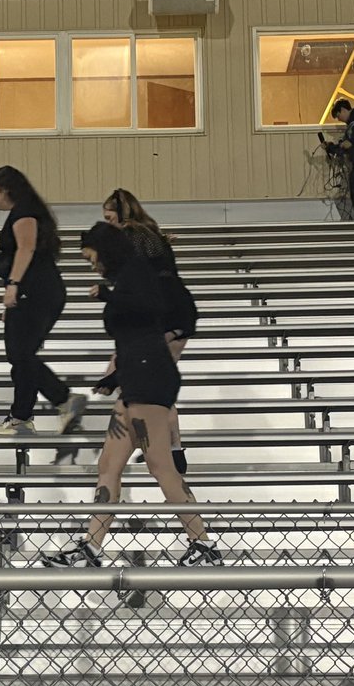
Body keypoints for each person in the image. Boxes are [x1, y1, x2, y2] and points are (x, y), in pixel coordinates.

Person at [42, 222, 221, 570]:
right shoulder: (126, 278)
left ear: (105, 250)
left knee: (160, 467)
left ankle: (203, 544)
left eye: (91, 258)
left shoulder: (135, 274)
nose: (91, 265)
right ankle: (92, 546)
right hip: (136, 378)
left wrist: (110, 297)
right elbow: (138, 337)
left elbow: (150, 310)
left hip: (149, 382)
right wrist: (114, 377)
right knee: (108, 466)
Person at [101, 188, 198, 474]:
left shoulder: (130, 235)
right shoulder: (148, 232)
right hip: (177, 312)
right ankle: (173, 449)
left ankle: (164, 449)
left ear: (121, 215)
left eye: (109, 217)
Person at [0, 165, 86, 436]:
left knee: (19, 354)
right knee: (22, 357)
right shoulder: (26, 211)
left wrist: (14, 286)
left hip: (36, 291)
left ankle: (63, 398)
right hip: (37, 292)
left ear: (7, 190)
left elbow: (26, 248)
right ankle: (21, 416)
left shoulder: (24, 213)